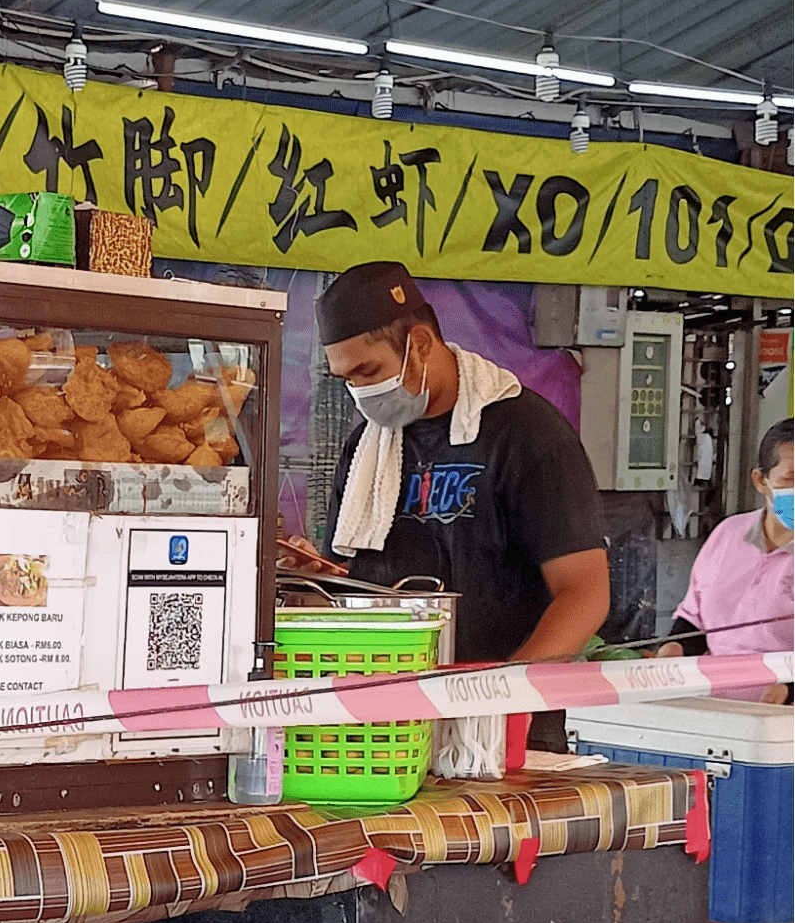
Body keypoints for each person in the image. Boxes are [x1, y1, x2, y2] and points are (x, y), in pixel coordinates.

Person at [315, 262, 610, 744]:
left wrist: (499, 697)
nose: (360, 392)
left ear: (422, 344)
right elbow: (350, 574)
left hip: (507, 728)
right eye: (345, 379)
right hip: (390, 726)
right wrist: (308, 572)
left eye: (368, 371)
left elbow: (585, 593)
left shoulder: (527, 434)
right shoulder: (365, 448)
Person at [659, 417, 793, 702]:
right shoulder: (729, 534)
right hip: (708, 702)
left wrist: (788, 692)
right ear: (761, 480)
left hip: (779, 716)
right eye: (790, 478)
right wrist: (671, 651)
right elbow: (693, 620)